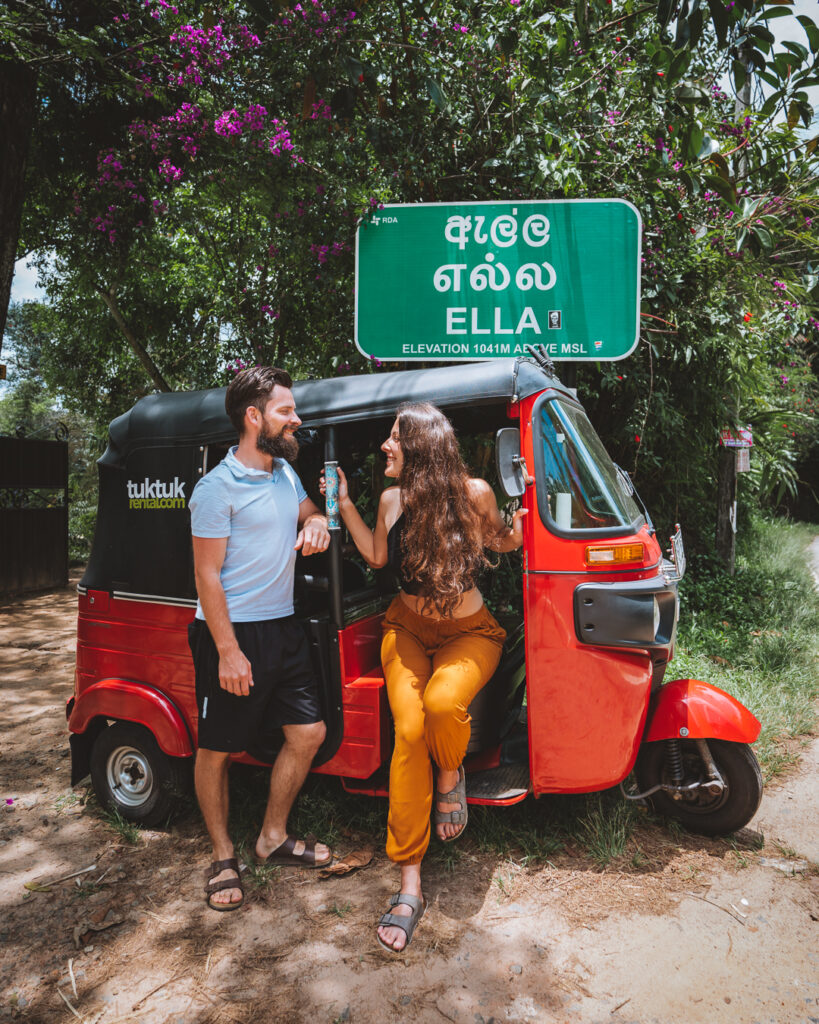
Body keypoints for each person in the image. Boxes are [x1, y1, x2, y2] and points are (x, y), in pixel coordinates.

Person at [322, 402, 527, 952]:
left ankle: (449, 775)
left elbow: (506, 541)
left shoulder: (475, 493)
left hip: (469, 632)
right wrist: (342, 504)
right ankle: (409, 883)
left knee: (441, 706)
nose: (385, 446)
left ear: (423, 445)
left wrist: (516, 525)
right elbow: (374, 553)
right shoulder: (391, 499)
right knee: (409, 731)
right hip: (406, 629)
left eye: (395, 437)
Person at [189, 366, 333, 912]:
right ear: (255, 418)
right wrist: (228, 650)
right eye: (285, 411)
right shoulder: (215, 489)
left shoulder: (283, 475)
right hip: (232, 632)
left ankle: (272, 836)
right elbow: (206, 576)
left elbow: (309, 513)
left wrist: (316, 522)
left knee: (310, 732)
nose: (296, 420)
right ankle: (223, 854)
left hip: (283, 625)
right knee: (218, 748)